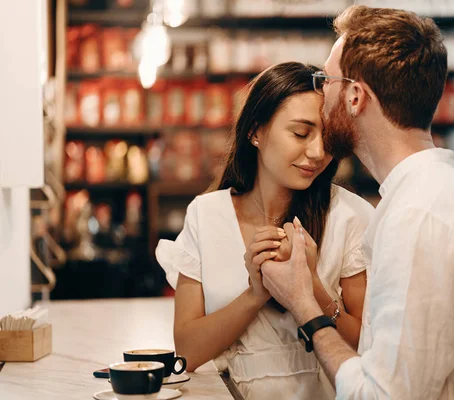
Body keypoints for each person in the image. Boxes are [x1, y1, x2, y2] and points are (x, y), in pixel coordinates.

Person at [261, 6, 454, 399]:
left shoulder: (417, 217)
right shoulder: (436, 194)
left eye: (326, 80)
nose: (321, 95)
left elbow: (381, 396)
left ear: (355, 96)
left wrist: (304, 304)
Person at [155, 62, 373, 400]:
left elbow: (367, 347)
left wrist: (309, 284)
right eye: (301, 134)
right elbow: (187, 352)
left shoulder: (350, 216)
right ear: (256, 131)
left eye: (327, 137)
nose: (317, 153)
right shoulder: (207, 215)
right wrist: (256, 293)